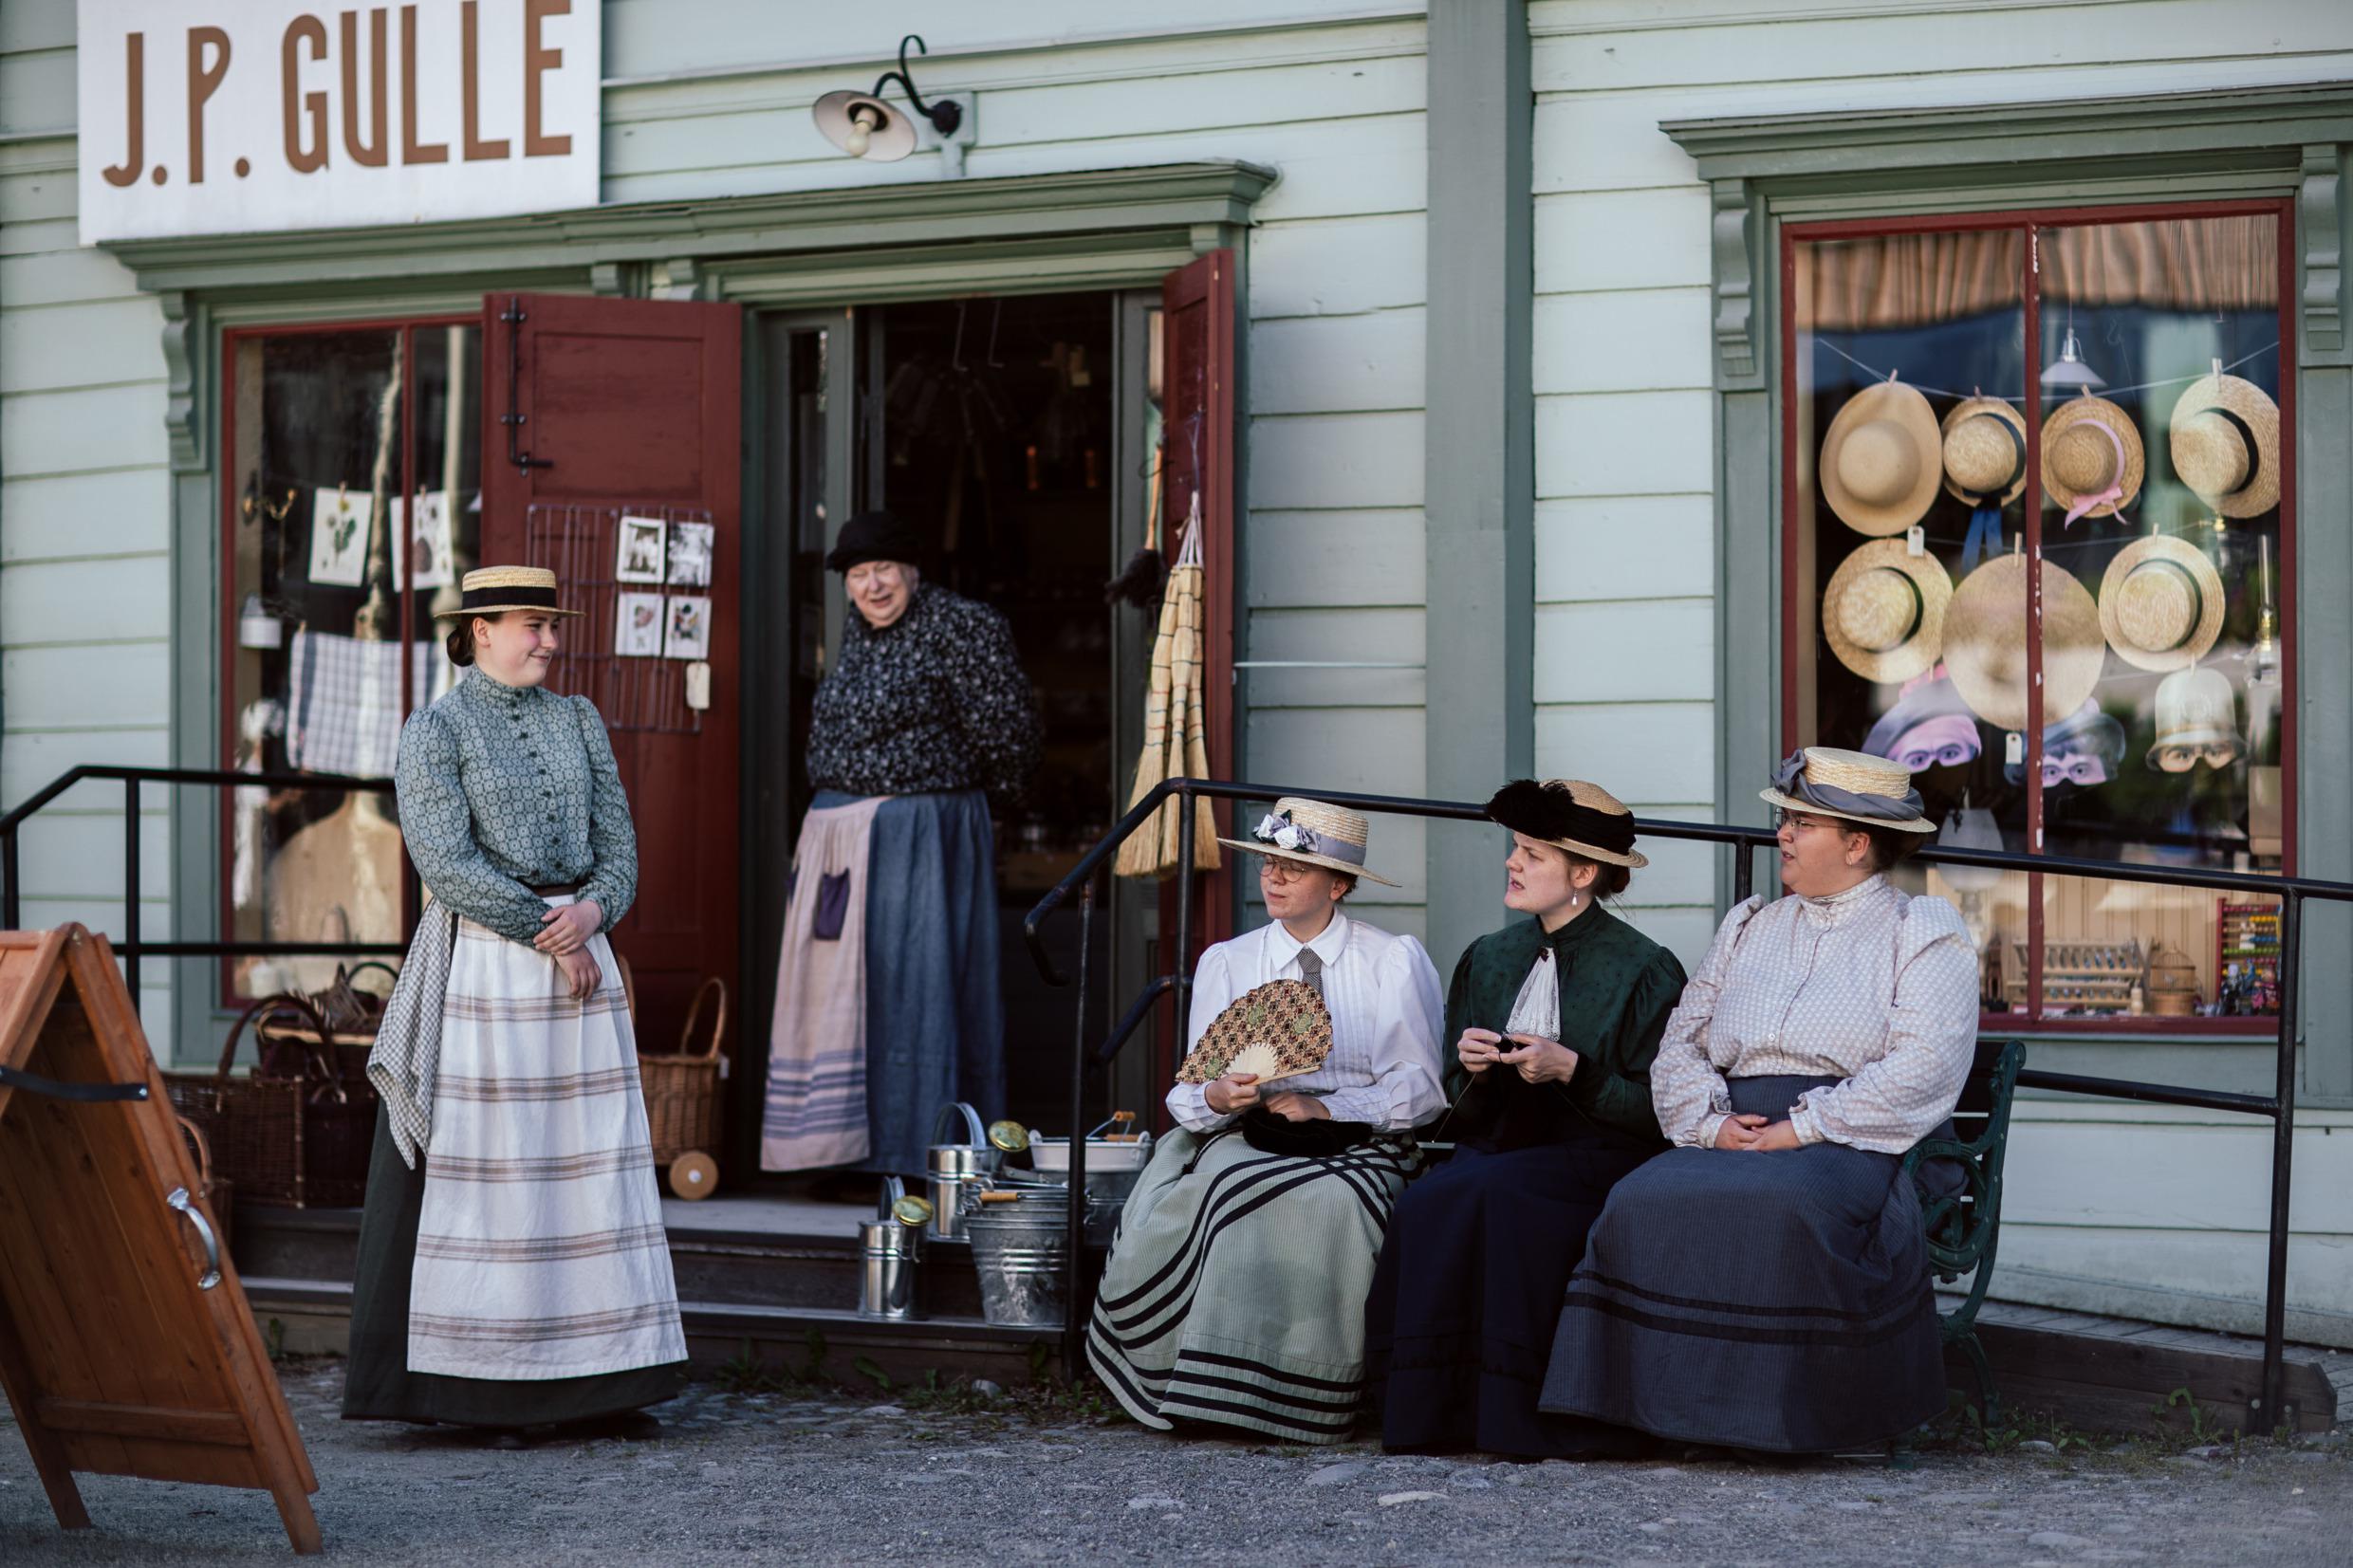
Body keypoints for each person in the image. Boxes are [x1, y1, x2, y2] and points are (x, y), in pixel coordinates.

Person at [1538, 746, 1979, 1454]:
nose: (1782, 834)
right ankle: (1661, 1414)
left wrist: (1803, 1127)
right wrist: (1709, 1124)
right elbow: (1682, 1041)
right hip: (1736, 1126)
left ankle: (1790, 1421)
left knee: (1788, 1206)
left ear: (1857, 843)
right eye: (1788, 820)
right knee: (1640, 1197)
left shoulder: (1917, 932)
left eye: (1801, 822)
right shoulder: (1751, 927)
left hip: (1856, 1136)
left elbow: (1926, 1065)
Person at [347, 566, 685, 1447]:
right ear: (480, 631)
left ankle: (604, 1377)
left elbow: (621, 850)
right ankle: (496, 1387)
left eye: (550, 624)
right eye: (531, 624)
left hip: (581, 962)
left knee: (592, 1172)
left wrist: (593, 913)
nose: (547, 639)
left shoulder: (580, 720)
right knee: (498, 1178)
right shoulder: (436, 729)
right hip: (487, 971)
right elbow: (445, 862)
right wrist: (553, 929)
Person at [1086, 798, 1446, 1445]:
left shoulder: (1390, 960)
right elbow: (1190, 1091)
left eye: (1295, 867)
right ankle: (1209, 1382)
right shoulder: (1231, 960)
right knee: (1222, 1192)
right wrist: (1221, 1095)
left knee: (1333, 1203)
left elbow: (1420, 1088)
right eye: (1268, 864)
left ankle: (1300, 1384)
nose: (1273, 878)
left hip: (1360, 1140)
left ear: (1338, 884)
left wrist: (1329, 1105)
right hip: (1246, 1133)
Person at [1363, 779, 1686, 1457]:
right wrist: (1476, 1071)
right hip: (1501, 1145)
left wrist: (1575, 1069)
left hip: (1599, 1155)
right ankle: (1432, 1416)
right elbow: (1457, 1110)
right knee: (1427, 1200)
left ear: (1585, 873)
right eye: (1516, 848)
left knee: (1496, 1194)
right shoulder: (1490, 955)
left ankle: (1516, 1416)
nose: (1513, 863)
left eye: (1533, 854)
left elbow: (1663, 1111)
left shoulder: (1645, 969)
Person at [761, 511, 1042, 1177]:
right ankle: (848, 1152)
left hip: (920, 843)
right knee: (854, 1001)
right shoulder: (858, 634)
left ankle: (922, 1151)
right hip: (848, 849)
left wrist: (957, 818)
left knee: (918, 992)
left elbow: (1009, 739)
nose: (872, 585)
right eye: (857, 574)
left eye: (884, 569)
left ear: (913, 571)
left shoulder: (963, 626)